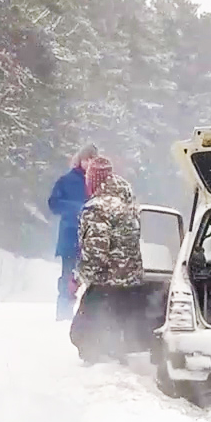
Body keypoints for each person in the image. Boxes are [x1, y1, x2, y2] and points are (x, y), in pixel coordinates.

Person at [70, 157, 145, 363]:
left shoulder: (97, 208)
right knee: (117, 329)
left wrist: (78, 278)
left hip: (106, 283)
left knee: (83, 333)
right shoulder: (128, 206)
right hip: (130, 283)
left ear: (94, 180)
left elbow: (96, 252)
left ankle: (101, 369)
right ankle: (116, 361)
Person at [47, 145, 97, 319]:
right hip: (70, 236)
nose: (89, 163)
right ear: (80, 160)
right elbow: (53, 203)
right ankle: (64, 312)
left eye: (92, 159)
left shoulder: (100, 183)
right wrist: (77, 209)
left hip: (94, 239)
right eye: (86, 159)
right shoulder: (66, 180)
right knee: (68, 277)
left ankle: (90, 317)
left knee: (94, 281)